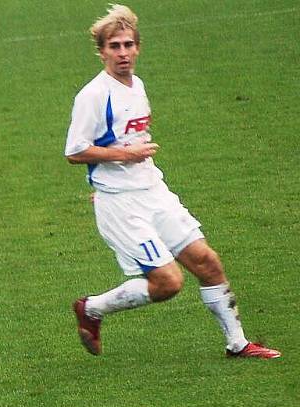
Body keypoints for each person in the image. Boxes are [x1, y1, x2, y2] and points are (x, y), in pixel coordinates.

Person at [64, 4, 280, 359]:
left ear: (138, 47)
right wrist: (122, 159)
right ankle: (91, 309)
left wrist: (132, 161)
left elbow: (130, 138)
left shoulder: (137, 85)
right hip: (121, 204)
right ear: (101, 51)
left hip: (153, 192)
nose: (123, 53)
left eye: (128, 45)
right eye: (114, 46)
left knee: (207, 262)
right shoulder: (93, 95)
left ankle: (238, 344)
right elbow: (74, 151)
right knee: (168, 283)